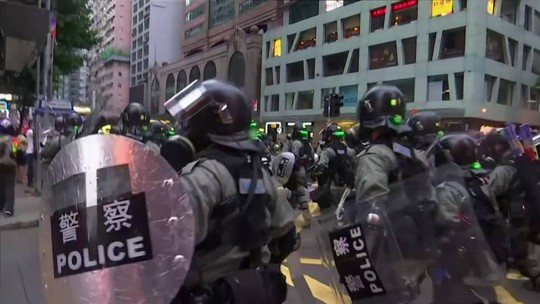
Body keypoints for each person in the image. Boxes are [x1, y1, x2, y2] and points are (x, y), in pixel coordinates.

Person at [163, 80, 297, 303]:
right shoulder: (258, 171)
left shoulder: (202, 176)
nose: (182, 128)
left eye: (188, 122)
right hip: (250, 292)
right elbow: (287, 236)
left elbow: (162, 238)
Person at [0, 118, 25, 216]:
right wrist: (20, 162)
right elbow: (18, 153)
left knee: (1, 186)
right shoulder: (15, 140)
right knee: (9, 187)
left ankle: (1, 206)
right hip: (11, 165)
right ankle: (9, 209)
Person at [25, 121, 35, 187]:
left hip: (30, 151)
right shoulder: (30, 131)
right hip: (30, 151)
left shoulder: (29, 131)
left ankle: (31, 181)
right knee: (30, 168)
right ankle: (29, 182)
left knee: (31, 167)